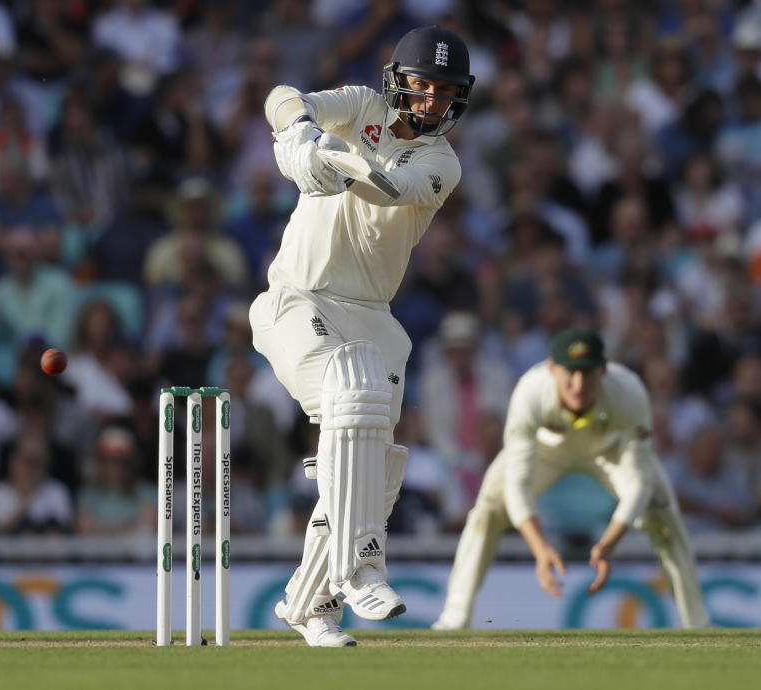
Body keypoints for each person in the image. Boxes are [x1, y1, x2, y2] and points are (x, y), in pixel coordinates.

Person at [249, 25, 474, 646]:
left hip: (374, 316)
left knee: (374, 464)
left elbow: (388, 187)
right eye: (421, 86)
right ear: (397, 82)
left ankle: (311, 602)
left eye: (444, 92)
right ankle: (363, 565)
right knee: (352, 396)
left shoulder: (441, 164)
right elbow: (282, 96)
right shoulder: (363, 105)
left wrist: (329, 163)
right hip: (297, 299)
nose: (431, 102)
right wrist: (297, 134)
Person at [432, 328, 710, 630]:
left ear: (603, 371)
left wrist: (607, 544)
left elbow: (639, 483)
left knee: (662, 511)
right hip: (547, 449)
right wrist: (540, 549)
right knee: (487, 510)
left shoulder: (627, 390)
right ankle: (454, 619)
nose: (578, 385)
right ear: (552, 368)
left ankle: (696, 622)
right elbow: (517, 484)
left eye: (587, 373)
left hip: (609, 449)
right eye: (570, 373)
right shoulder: (531, 391)